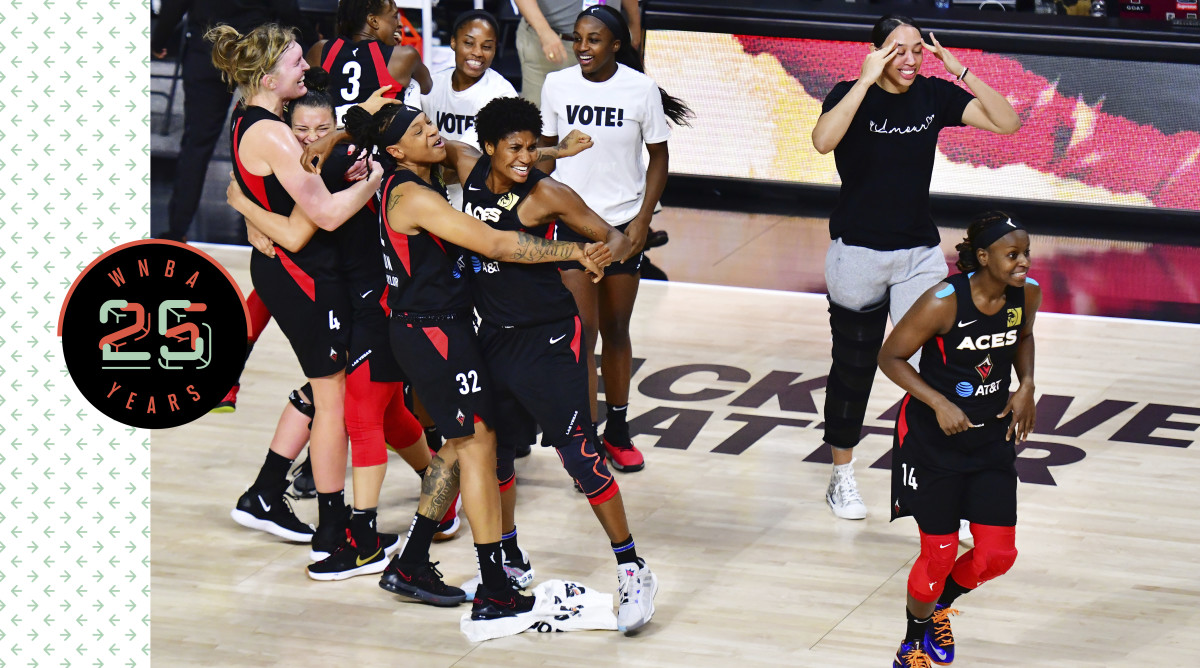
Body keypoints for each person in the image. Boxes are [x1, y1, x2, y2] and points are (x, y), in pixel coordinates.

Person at [338, 102, 609, 619]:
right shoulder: (412, 195)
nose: (434, 133)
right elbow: (495, 242)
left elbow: (484, 157)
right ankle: (495, 587)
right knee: (480, 448)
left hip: (443, 329)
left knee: (460, 448)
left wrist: (552, 150)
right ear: (396, 151)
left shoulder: (421, 174)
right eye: (420, 131)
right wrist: (570, 253)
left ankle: (411, 561)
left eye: (431, 122)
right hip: (434, 334)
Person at [226, 69, 462, 579]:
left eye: (324, 127)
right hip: (343, 296)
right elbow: (289, 217)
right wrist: (249, 211)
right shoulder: (307, 163)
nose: (312, 139)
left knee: (358, 403)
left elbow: (299, 216)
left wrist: (246, 207)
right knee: (348, 398)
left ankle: (361, 522)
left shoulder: (368, 165)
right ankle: (385, 507)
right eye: (303, 131)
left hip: (383, 303)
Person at [458, 95, 658, 633]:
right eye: (515, 148)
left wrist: (597, 257)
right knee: (496, 455)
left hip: (549, 339)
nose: (525, 158)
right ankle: (509, 558)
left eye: (531, 147)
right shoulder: (466, 166)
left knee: (580, 457)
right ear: (489, 148)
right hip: (493, 338)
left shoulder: (549, 193)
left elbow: (613, 238)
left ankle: (632, 568)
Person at [810, 14, 1021, 520]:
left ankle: (936, 479)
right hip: (858, 253)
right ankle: (842, 477)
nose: (909, 60)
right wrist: (863, 80)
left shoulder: (932, 95)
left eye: (917, 51)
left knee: (941, 369)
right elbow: (822, 142)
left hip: (918, 256)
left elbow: (1007, 122)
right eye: (896, 50)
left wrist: (959, 70)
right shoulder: (849, 91)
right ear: (875, 52)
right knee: (854, 368)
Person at [209, 22, 385, 554]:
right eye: (294, 63)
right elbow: (326, 215)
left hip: (299, 268)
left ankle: (265, 493)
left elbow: (260, 192)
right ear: (267, 78)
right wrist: (373, 179)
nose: (306, 66)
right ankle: (333, 530)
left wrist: (246, 210)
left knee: (327, 385)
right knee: (333, 400)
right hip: (303, 274)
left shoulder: (254, 118)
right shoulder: (273, 132)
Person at [878, 212, 1038, 667]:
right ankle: (911, 645)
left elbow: (1024, 336)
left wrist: (1026, 384)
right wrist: (938, 402)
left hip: (991, 441)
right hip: (936, 444)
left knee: (997, 555)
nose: (1023, 261)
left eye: (1026, 252)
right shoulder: (942, 301)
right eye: (1013, 254)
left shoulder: (1027, 294)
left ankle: (938, 609)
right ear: (983, 257)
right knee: (940, 553)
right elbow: (890, 357)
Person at [537, 4, 691, 473]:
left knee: (616, 332)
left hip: (622, 229)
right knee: (580, 339)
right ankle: (585, 443)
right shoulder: (556, 84)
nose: (582, 47)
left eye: (594, 39)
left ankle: (619, 430)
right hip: (571, 229)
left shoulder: (641, 89)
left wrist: (643, 221)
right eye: (578, 38)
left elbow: (660, 158)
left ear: (617, 45)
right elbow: (547, 155)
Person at [151, 0, 311, 242]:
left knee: (196, 144)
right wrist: (310, 40)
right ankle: (275, 224)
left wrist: (159, 40)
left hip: (207, 54)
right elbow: (286, 8)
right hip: (257, 56)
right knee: (273, 137)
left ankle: (176, 230)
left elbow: (174, 6)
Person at [420, 9, 518, 212]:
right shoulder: (432, 85)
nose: (478, 52)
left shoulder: (502, 94)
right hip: (430, 192)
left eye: (487, 46)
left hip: (477, 199)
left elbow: (469, 161)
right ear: (454, 42)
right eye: (469, 43)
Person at [307, 0, 432, 126]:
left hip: (331, 138)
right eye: (394, 16)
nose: (398, 24)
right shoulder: (405, 55)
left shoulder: (319, 50)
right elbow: (427, 86)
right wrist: (394, 49)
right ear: (373, 21)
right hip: (379, 141)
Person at [512, 0, 639, 109]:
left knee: (605, 113)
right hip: (553, 43)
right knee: (540, 117)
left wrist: (634, 21)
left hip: (606, 46)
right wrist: (544, 32)